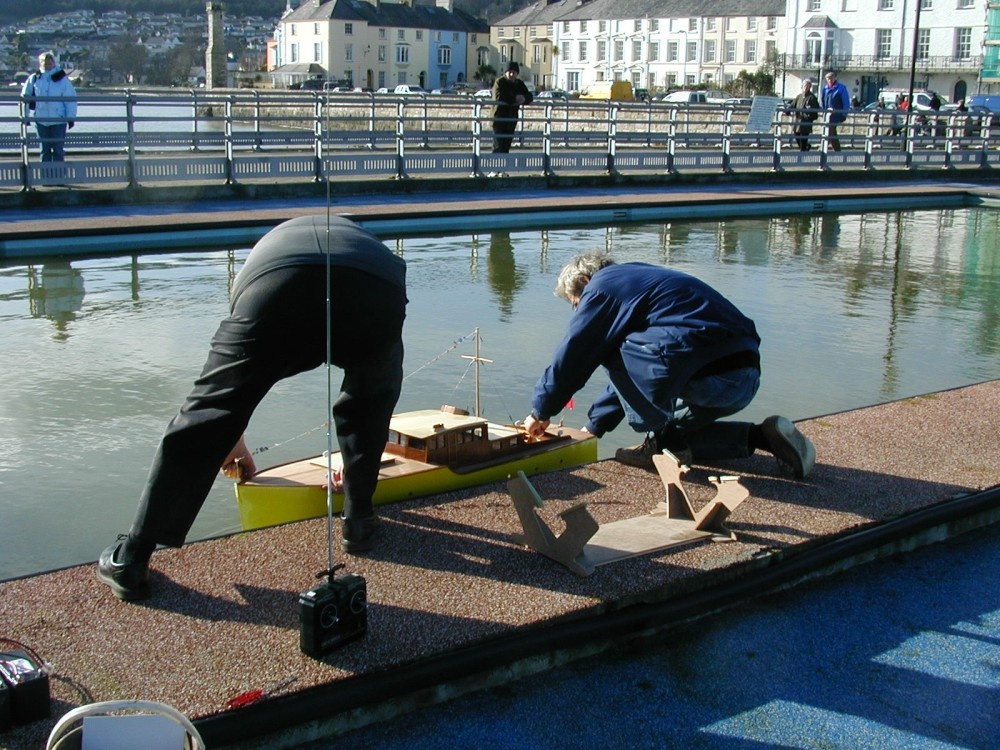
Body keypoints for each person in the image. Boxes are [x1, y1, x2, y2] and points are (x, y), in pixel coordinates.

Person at [97, 215, 408, 601]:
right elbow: (373, 383)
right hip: (376, 288)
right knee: (372, 392)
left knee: (209, 411)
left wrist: (231, 434)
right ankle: (358, 518)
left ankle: (132, 558)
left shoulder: (259, 259)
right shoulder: (364, 242)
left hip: (275, 285)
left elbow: (227, 394)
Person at [522, 253, 815, 480]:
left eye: (576, 303)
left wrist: (541, 410)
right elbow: (634, 373)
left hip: (703, 373)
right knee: (675, 440)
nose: (579, 309)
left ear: (584, 281)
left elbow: (575, 353)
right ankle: (761, 436)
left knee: (603, 347)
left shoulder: (601, 288)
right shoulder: (644, 279)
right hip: (744, 377)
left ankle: (662, 439)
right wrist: (594, 427)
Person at [21, 50, 77, 163]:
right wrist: (25, 116)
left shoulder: (62, 79)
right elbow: (25, 97)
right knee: (44, 150)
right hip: (41, 119)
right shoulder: (34, 78)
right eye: (44, 63)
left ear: (53, 63)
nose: (47, 65)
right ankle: (45, 176)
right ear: (40, 64)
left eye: (49, 63)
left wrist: (70, 117)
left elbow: (70, 99)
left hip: (58, 119)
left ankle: (59, 176)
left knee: (58, 149)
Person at [492, 61, 533, 154]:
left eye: (514, 72)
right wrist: (515, 98)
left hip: (511, 120)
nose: (511, 74)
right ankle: (494, 167)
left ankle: (502, 167)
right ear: (505, 72)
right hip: (499, 119)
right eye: (509, 71)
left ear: (517, 73)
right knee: (498, 147)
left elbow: (529, 95)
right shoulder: (499, 82)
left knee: (506, 147)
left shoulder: (519, 84)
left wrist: (524, 98)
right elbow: (498, 96)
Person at [820, 70, 850, 151]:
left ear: (835, 78)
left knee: (831, 129)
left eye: (831, 77)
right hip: (827, 114)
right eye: (828, 78)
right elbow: (822, 101)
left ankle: (831, 148)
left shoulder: (841, 88)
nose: (830, 79)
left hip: (836, 114)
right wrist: (823, 112)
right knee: (829, 130)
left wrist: (844, 114)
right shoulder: (825, 89)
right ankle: (828, 147)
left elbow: (846, 102)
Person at [792, 78, 820, 151]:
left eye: (807, 86)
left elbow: (817, 108)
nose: (805, 87)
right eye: (804, 86)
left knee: (803, 138)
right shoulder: (799, 96)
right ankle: (806, 146)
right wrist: (786, 111)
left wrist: (810, 113)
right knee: (796, 135)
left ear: (809, 87)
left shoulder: (812, 97)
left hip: (806, 121)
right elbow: (792, 105)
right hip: (798, 121)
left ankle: (803, 153)